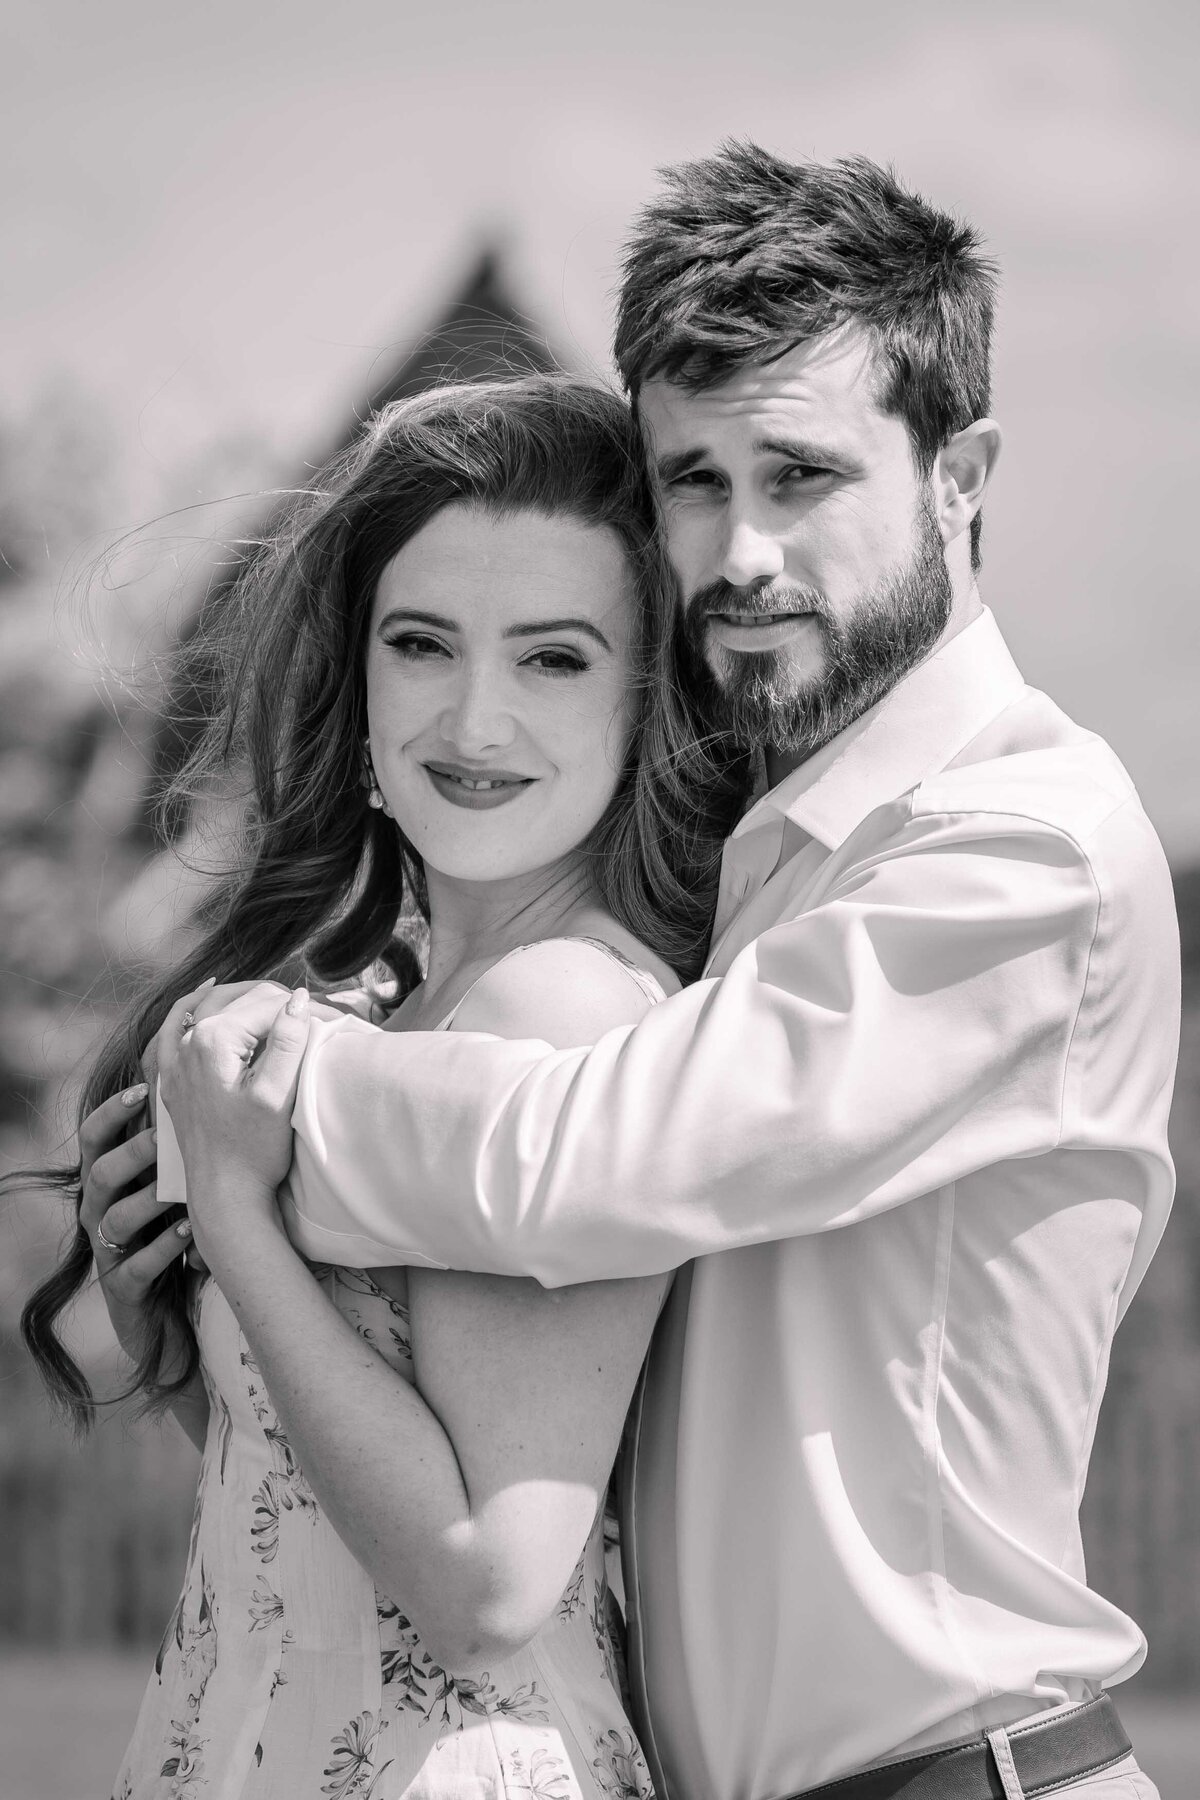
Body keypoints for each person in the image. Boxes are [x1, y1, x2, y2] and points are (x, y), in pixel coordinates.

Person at [171, 147, 1180, 1800]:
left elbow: (578, 1161)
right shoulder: (785, 852)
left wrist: (254, 1110)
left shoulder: (1020, 853)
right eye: (693, 479)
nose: (741, 548)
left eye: (801, 474)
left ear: (961, 474)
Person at [19, 375, 749, 1799]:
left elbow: (486, 1584)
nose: (476, 720)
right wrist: (169, 1331)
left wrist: (234, 1214)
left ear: (645, 704)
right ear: (357, 686)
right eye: (423, 645)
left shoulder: (560, 1014)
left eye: (554, 660)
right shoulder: (415, 1012)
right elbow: (327, 1502)